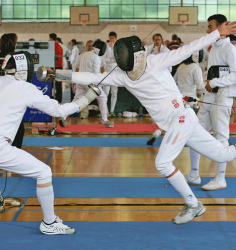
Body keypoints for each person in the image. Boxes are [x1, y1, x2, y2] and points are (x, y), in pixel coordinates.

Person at [43, 20, 236, 224]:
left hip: (181, 117)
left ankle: (193, 204)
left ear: (135, 55)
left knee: (162, 162)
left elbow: (191, 47)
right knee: (223, 153)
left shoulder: (157, 61)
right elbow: (90, 76)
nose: (121, 60)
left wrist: (217, 34)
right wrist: (57, 74)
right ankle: (193, 204)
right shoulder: (123, 76)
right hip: (178, 122)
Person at [0, 51, 100, 234]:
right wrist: (87, 98)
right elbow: (59, 111)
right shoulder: (25, 88)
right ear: (24, 70)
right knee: (43, 172)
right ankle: (49, 223)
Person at [186, 14, 236, 191]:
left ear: (222, 27)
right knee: (194, 133)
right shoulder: (213, 47)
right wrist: (209, 84)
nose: (207, 30)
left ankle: (221, 178)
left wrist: (213, 83)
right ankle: (193, 174)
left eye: (210, 27)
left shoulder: (230, 49)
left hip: (222, 98)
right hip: (208, 98)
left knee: (221, 137)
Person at [0, 33, 25, 149]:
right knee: (18, 128)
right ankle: (13, 153)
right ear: (13, 44)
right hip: (10, 97)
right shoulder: (16, 58)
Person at [103, 31, 118, 117]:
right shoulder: (106, 46)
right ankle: (105, 111)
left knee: (114, 91)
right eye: (110, 38)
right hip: (107, 71)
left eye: (113, 38)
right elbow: (104, 59)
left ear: (115, 38)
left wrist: (113, 58)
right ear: (109, 38)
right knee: (106, 91)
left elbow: (118, 58)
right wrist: (112, 60)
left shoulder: (118, 46)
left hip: (115, 71)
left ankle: (112, 110)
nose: (112, 39)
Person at [49, 33, 63, 103]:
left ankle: (50, 98)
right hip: (60, 67)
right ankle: (59, 100)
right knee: (58, 84)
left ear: (51, 38)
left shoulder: (51, 45)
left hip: (53, 67)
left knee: (50, 84)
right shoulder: (60, 46)